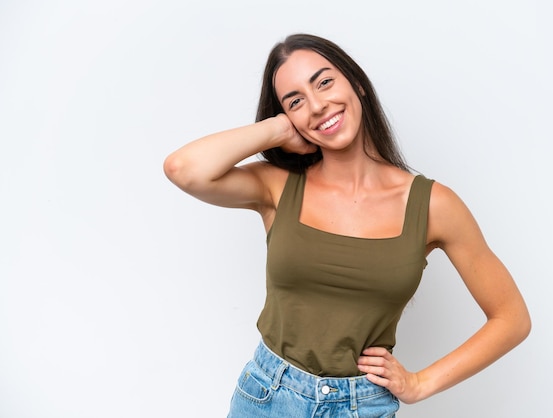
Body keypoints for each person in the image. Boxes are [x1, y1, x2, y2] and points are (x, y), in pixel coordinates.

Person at [163, 33, 531, 417]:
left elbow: (512, 318)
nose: (318, 105)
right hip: (266, 397)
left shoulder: (434, 205)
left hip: (360, 406)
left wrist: (421, 383)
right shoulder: (277, 186)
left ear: (356, 83)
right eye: (296, 101)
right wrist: (277, 130)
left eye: (324, 82)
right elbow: (183, 169)